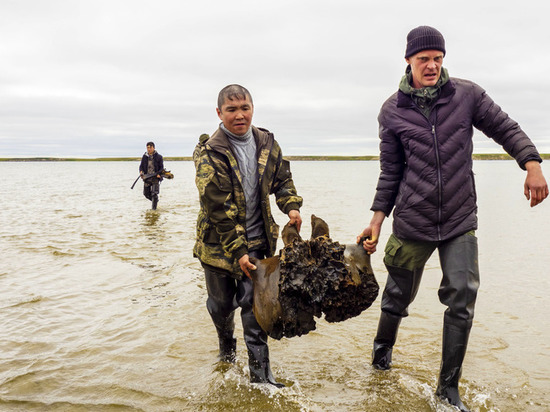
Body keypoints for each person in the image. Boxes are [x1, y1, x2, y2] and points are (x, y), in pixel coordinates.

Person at [357, 26, 548, 411]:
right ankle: (381, 356)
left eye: (438, 58)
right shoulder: (392, 112)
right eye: (424, 58)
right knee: (397, 296)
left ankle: (448, 388)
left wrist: (531, 164)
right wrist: (377, 221)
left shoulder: (467, 94)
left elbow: (504, 128)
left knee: (462, 297)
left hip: (460, 218)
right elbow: (390, 172)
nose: (432, 65)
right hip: (413, 219)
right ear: (408, 60)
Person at [193, 84, 303, 387]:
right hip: (219, 247)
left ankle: (261, 380)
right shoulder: (209, 152)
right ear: (219, 113)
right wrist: (237, 250)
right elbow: (216, 207)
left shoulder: (267, 142)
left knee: (256, 312)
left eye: (245, 108)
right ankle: (226, 351)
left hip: (258, 244)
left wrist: (291, 206)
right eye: (231, 110)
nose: (239, 115)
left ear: (252, 109)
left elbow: (283, 180)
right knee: (221, 306)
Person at [139, 141, 164, 210]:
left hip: (155, 177)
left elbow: (161, 168)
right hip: (147, 178)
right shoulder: (144, 157)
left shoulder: (159, 157)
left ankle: (154, 211)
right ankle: (155, 200)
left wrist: (159, 174)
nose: (149, 149)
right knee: (146, 194)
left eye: (150, 147)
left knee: (154, 194)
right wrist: (141, 172)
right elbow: (141, 166)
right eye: (147, 148)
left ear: (153, 148)